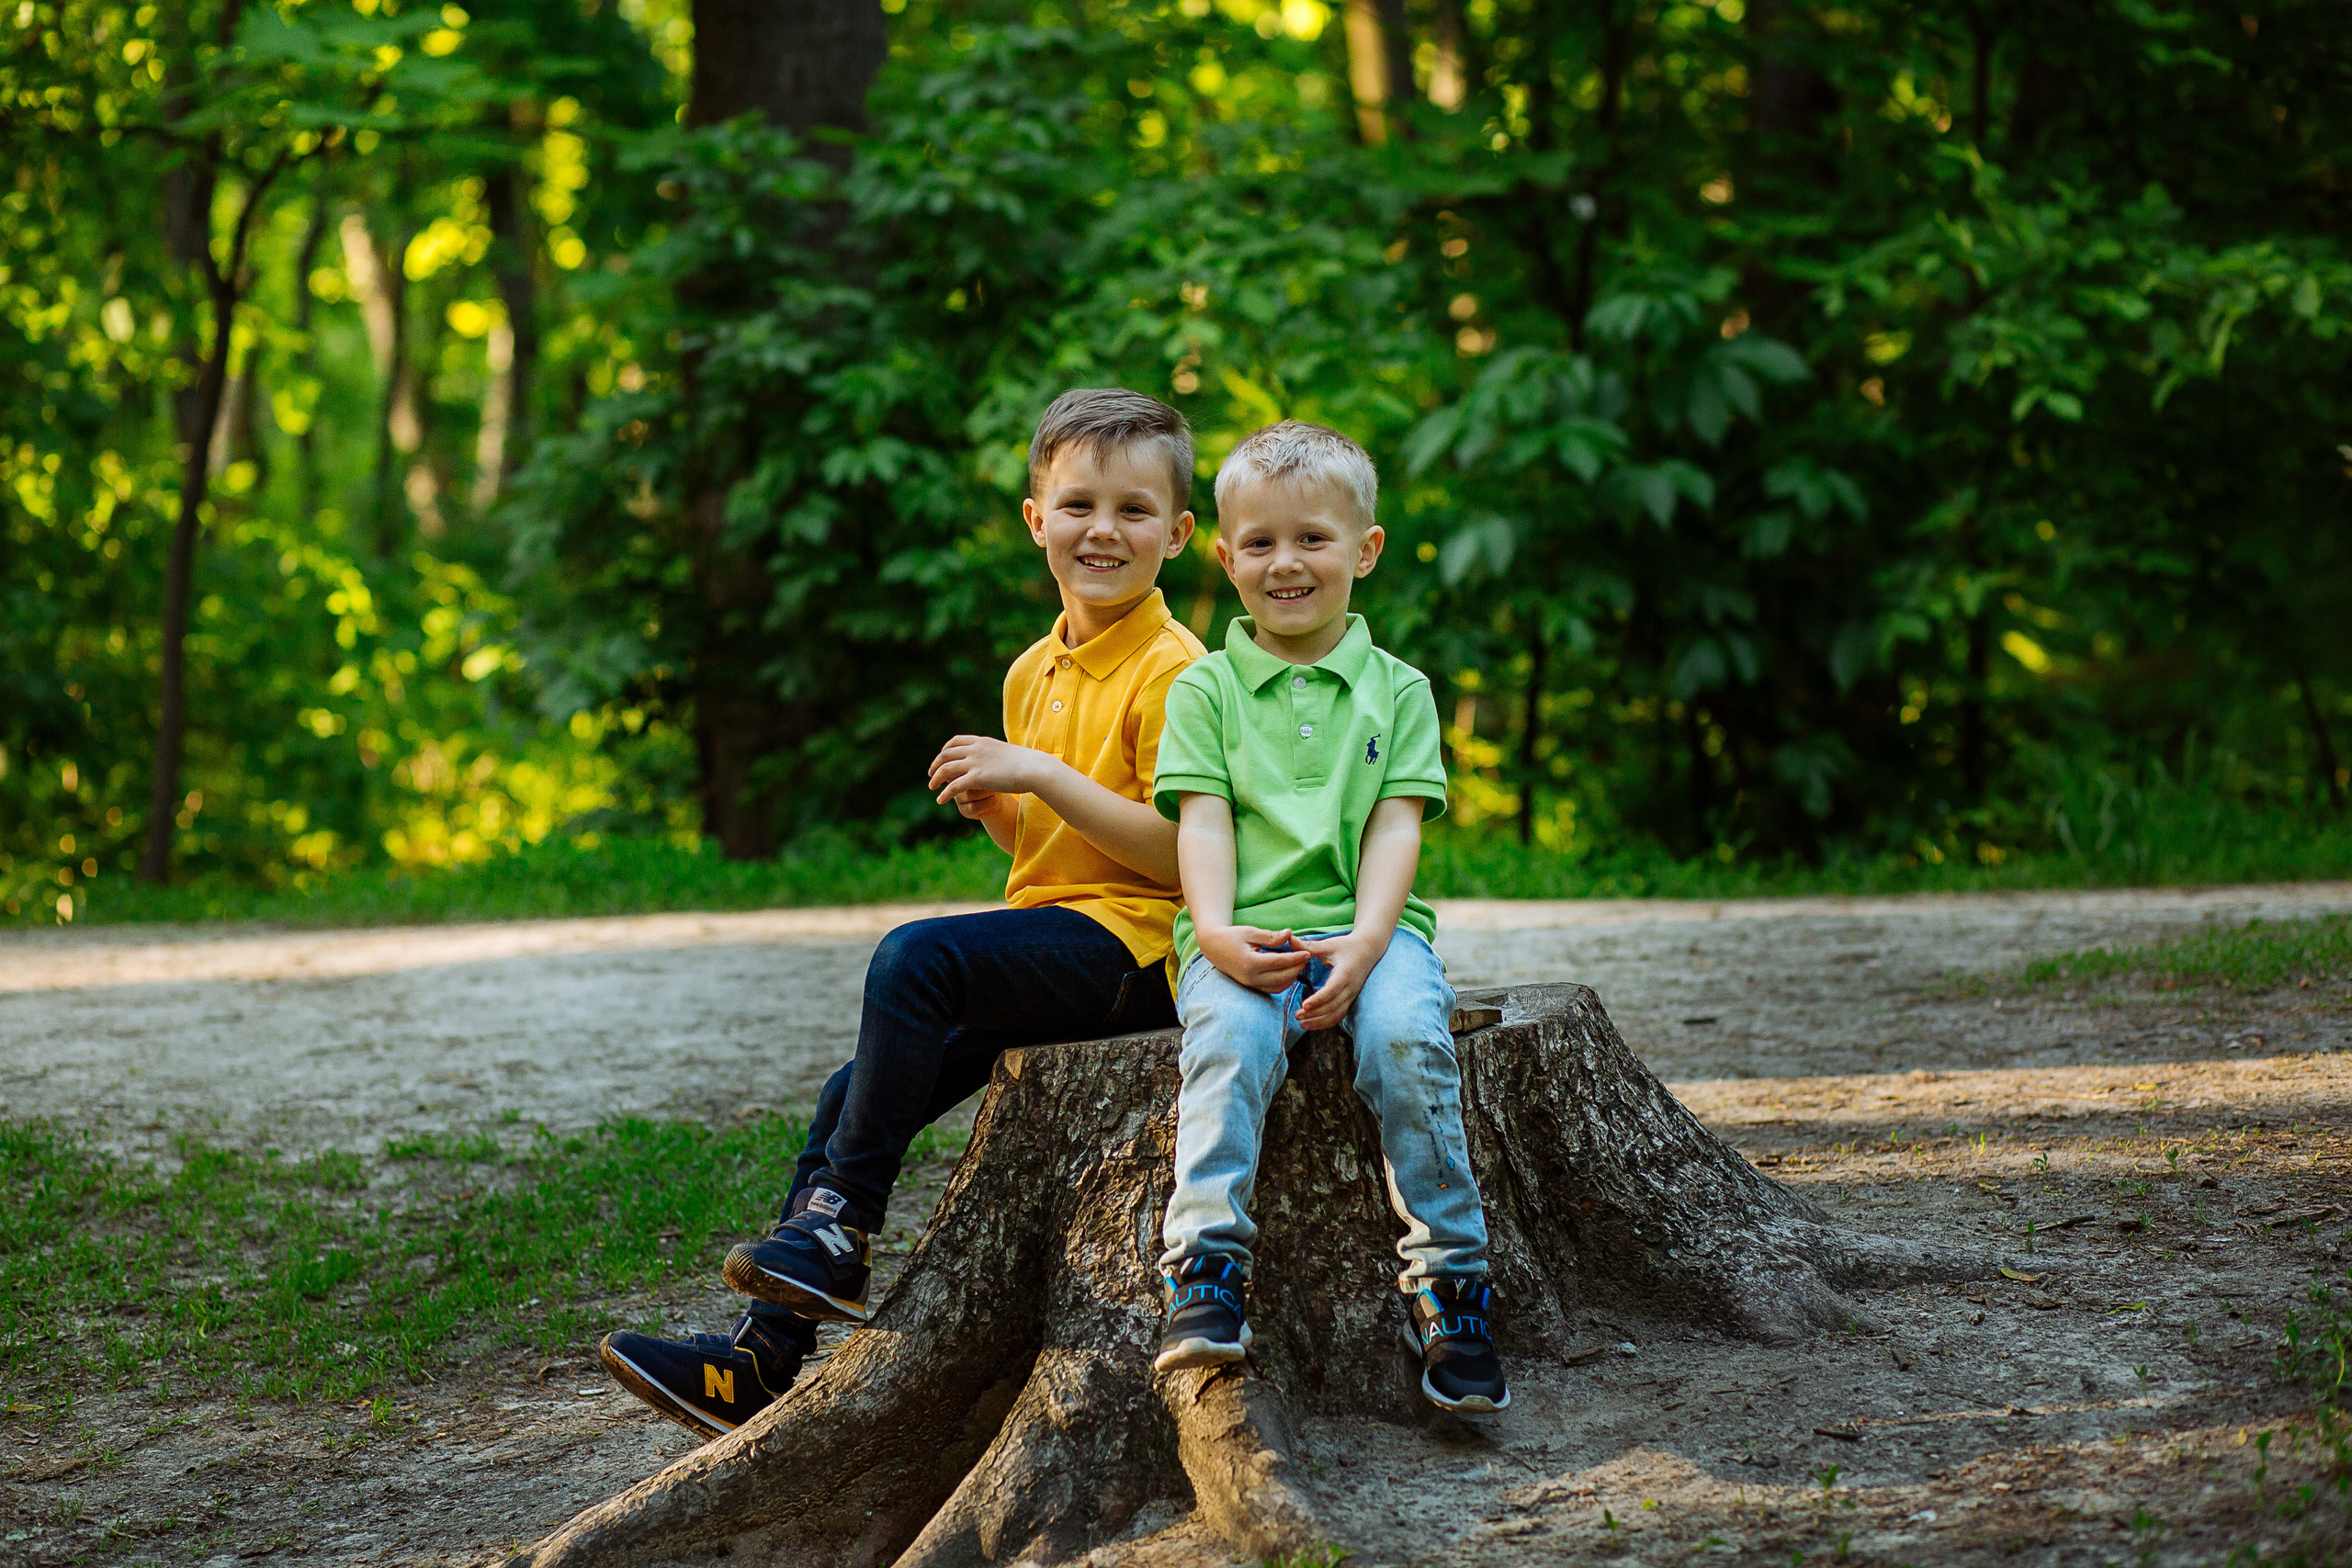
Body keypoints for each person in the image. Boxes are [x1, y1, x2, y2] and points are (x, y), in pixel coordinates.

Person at [598, 388, 1207, 1439]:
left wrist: (1044, 776)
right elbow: (1049, 860)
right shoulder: (1034, 668)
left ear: (1178, 534)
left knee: (914, 960)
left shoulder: (1178, 670)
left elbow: (1180, 857)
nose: (1102, 531)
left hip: (1143, 952)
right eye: (1077, 506)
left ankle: (841, 1231)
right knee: (851, 1094)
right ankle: (757, 1361)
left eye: (1133, 511)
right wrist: (1003, 811)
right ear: (1035, 520)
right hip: (1065, 944)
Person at [1148, 420, 1508, 1414]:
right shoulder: (1204, 690)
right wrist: (1214, 932)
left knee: (1402, 1041)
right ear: (1223, 557)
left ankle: (1452, 1280)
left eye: (1312, 537)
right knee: (1224, 1042)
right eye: (1258, 543)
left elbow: (1398, 831)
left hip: (1371, 931)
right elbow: (1203, 825)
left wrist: (1369, 940)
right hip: (1243, 931)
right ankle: (1205, 1268)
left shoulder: (1400, 693)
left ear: (1365, 550)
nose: (1286, 562)